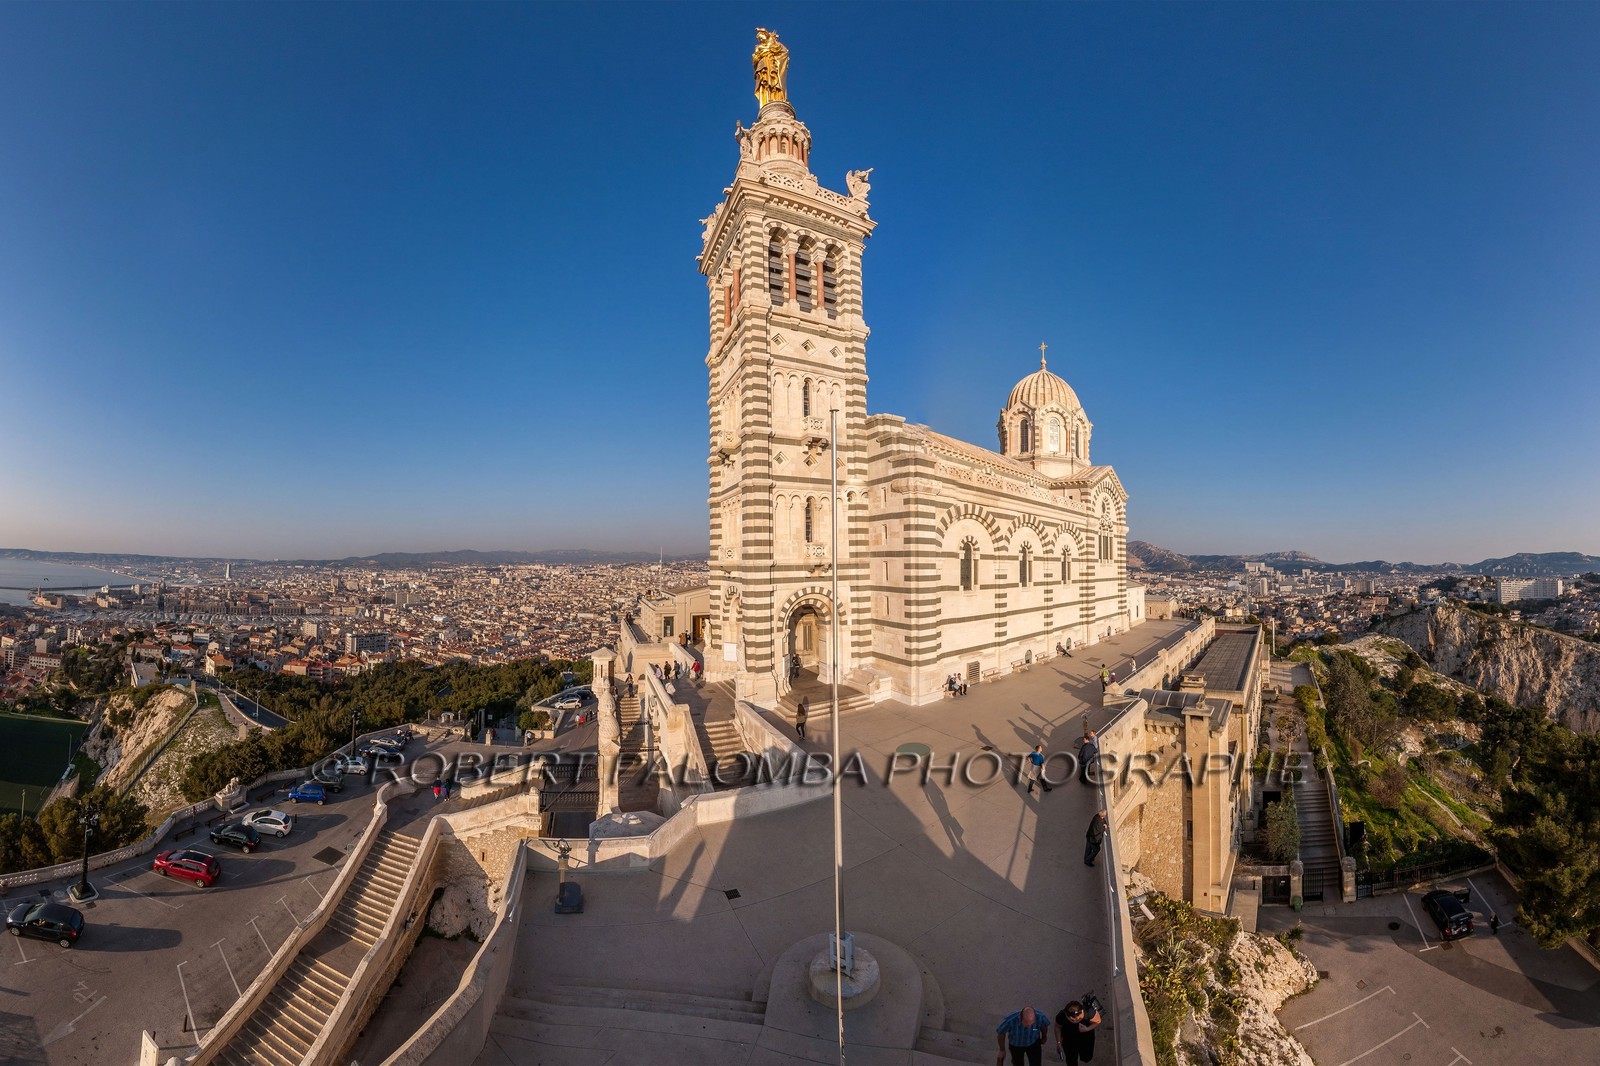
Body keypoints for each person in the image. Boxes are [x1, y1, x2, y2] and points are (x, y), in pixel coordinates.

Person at [1055, 998, 1102, 1065]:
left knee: (1086, 1057)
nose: (1075, 1021)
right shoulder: (1061, 1016)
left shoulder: (1089, 1012)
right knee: (1071, 1060)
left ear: (1082, 1012)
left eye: (1078, 1019)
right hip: (1069, 1040)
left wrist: (1087, 1029)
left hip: (1086, 1039)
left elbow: (1097, 1021)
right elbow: (1057, 1027)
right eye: (1072, 1020)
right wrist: (1059, 1042)